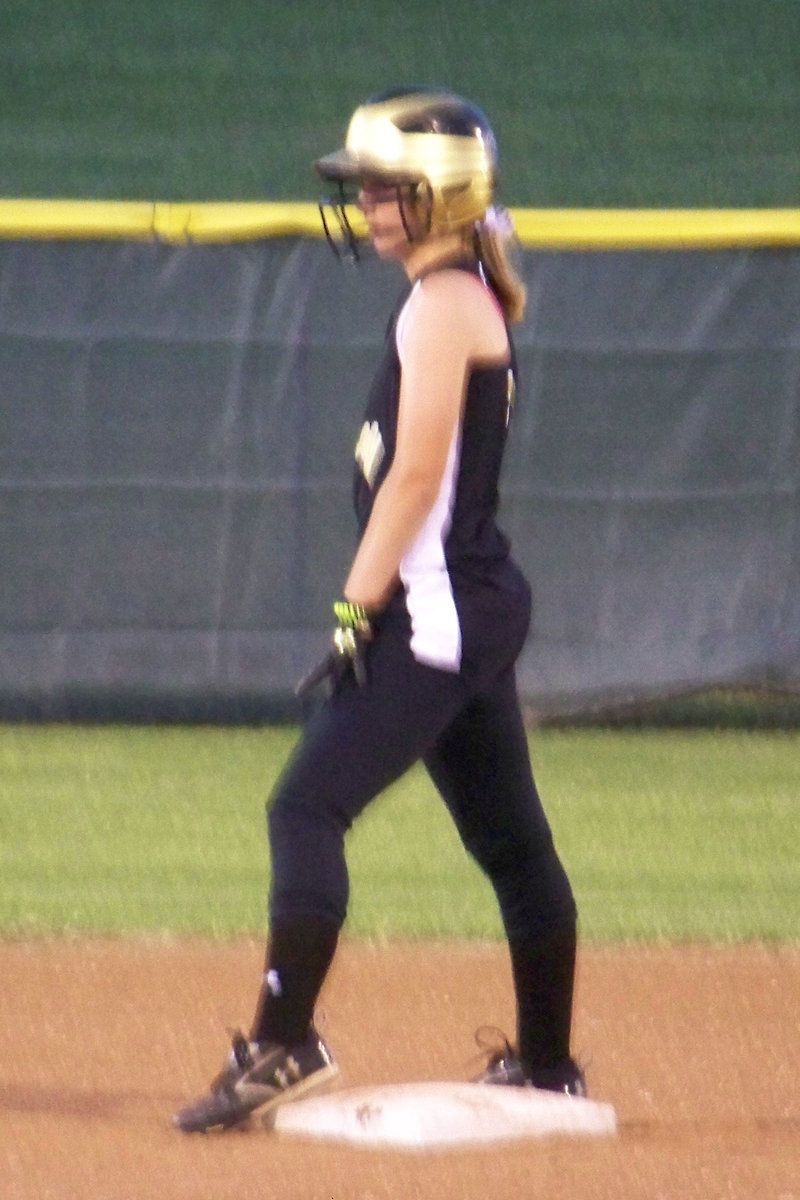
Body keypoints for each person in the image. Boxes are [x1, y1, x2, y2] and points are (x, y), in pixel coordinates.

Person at [174, 87, 584, 1134]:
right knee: (512, 846)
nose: (361, 203)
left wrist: (355, 609)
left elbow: (414, 478)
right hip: (466, 604)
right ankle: (546, 1066)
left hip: (435, 613)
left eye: (381, 187)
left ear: (437, 195)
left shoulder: (441, 304)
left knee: (305, 808)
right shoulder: (453, 295)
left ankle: (283, 1044)